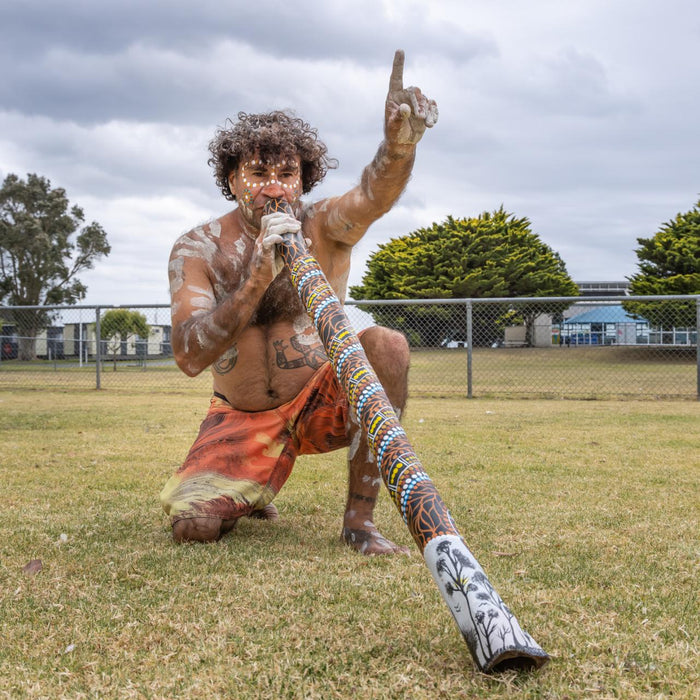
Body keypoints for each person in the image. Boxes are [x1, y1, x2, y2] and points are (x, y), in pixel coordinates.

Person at [160, 50, 438, 554]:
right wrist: (254, 281)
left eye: (287, 174)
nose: (274, 186)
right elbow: (188, 355)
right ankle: (248, 487)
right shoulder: (198, 248)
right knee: (194, 530)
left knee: (387, 346)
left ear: (303, 182)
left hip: (318, 403)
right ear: (231, 181)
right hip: (243, 416)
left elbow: (374, 194)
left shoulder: (323, 226)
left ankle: (360, 522)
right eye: (258, 171)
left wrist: (399, 146)